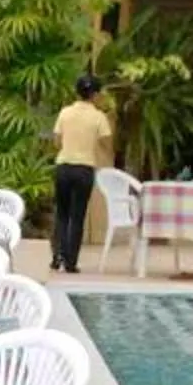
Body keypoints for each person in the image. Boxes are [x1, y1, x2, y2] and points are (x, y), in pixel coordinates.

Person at [48, 72, 111, 273]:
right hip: (84, 169)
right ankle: (71, 261)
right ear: (95, 95)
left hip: (63, 166)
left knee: (61, 213)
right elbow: (107, 143)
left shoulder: (65, 113)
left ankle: (57, 256)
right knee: (77, 215)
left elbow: (56, 141)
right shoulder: (99, 117)